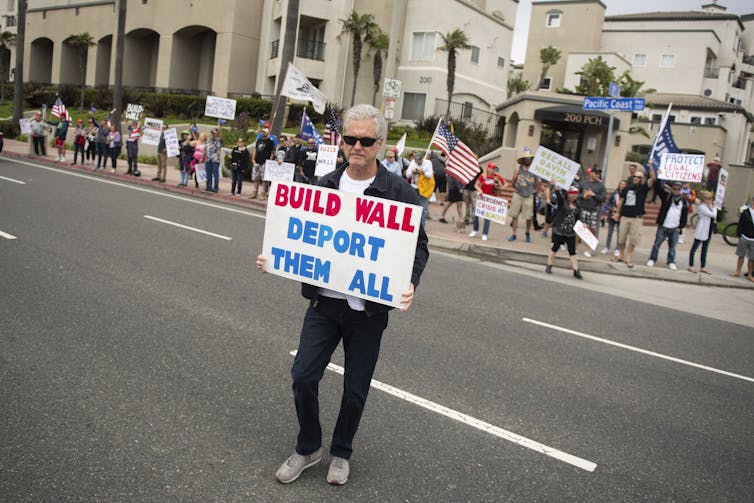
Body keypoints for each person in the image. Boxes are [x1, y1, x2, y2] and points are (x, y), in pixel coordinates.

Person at [256, 104, 429, 486]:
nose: (357, 147)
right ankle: (308, 447)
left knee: (355, 389)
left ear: (380, 144)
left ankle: (341, 452)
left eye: (366, 141)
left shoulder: (401, 193)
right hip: (324, 303)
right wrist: (274, 255)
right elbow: (300, 234)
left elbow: (418, 247)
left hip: (367, 312)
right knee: (302, 375)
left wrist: (409, 279)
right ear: (342, 141)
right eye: (350, 139)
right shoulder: (326, 185)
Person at [612, 166, 656, 268]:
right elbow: (621, 200)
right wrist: (618, 213)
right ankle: (621, 256)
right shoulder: (627, 188)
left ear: (642, 179)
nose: (636, 178)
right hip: (625, 216)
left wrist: (651, 166)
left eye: (639, 177)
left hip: (636, 218)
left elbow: (653, 178)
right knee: (621, 238)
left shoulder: (644, 188)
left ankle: (628, 258)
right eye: (635, 176)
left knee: (633, 239)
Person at [646, 180, 688, 270]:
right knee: (657, 244)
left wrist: (681, 227)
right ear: (672, 188)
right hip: (664, 226)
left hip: (675, 227)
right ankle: (652, 259)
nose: (676, 190)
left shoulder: (683, 200)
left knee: (672, 247)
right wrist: (659, 178)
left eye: (678, 189)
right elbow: (658, 189)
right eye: (674, 188)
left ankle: (671, 261)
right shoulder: (667, 196)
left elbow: (684, 215)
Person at [544, 185, 583, 279]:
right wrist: (556, 188)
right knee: (555, 247)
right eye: (572, 194)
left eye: (575, 194)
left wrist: (582, 224)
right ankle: (549, 265)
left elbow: (578, 218)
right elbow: (559, 197)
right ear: (567, 194)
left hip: (570, 232)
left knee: (572, 251)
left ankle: (576, 270)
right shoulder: (563, 202)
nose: (574, 196)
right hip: (560, 230)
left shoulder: (577, 205)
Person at [469, 162, 506, 241]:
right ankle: (475, 230)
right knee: (475, 215)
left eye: (494, 168)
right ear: (488, 168)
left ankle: (485, 234)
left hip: (491, 199)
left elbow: (505, 184)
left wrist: (501, 188)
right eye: (492, 168)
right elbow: (476, 185)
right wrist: (480, 190)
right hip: (482, 198)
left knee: (487, 218)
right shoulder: (483, 176)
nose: (493, 170)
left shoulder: (497, 177)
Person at [508, 147, 538, 242]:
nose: (527, 160)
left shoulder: (534, 171)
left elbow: (537, 184)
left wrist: (534, 191)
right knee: (514, 215)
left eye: (529, 158)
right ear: (523, 159)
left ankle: (527, 232)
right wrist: (515, 177)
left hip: (528, 195)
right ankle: (514, 234)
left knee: (528, 216)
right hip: (518, 194)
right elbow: (512, 183)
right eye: (526, 158)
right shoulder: (518, 169)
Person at [577, 166, 606, 257]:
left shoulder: (601, 185)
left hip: (593, 210)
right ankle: (575, 247)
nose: (597, 175)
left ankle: (587, 249)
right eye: (596, 172)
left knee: (591, 229)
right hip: (582, 208)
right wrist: (584, 196)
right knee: (579, 229)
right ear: (591, 173)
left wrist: (593, 194)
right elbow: (577, 195)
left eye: (598, 173)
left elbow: (603, 198)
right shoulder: (584, 184)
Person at [688, 190, 717, 274]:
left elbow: (714, 217)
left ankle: (703, 266)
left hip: (708, 230)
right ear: (703, 199)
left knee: (705, 249)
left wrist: (713, 207)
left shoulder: (710, 207)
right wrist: (715, 207)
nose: (709, 201)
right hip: (702, 230)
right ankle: (691, 265)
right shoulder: (702, 207)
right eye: (707, 199)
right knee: (694, 248)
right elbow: (713, 215)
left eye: (710, 199)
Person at [729, 194, 754, 282]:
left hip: (753, 239)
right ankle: (737, 271)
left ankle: (750, 274)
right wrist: (739, 234)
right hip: (744, 236)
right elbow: (740, 223)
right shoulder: (746, 211)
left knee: (752, 258)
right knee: (741, 255)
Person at [405, 153, 434, 227]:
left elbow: (430, 175)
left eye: (419, 161)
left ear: (422, 159)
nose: (417, 163)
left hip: (424, 189)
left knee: (423, 209)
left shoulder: (428, 163)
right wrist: (412, 171)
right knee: (412, 207)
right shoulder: (412, 163)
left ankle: (422, 226)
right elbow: (407, 175)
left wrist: (423, 172)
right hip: (414, 187)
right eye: (416, 161)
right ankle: (411, 225)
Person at [601, 179, 626, 256]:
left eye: (624, 184)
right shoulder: (614, 193)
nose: (622, 186)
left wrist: (620, 210)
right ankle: (607, 247)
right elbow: (607, 203)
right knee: (610, 232)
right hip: (612, 214)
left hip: (621, 216)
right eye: (621, 184)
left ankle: (617, 249)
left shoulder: (626, 195)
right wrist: (612, 208)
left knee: (619, 233)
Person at [252, 127, 275, 199]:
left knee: (264, 178)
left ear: (268, 133)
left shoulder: (270, 142)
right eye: (262, 132)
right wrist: (253, 159)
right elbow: (255, 150)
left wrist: (269, 161)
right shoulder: (259, 140)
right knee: (255, 177)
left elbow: (272, 152)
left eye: (264, 132)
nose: (263, 133)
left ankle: (263, 193)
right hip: (257, 161)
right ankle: (255, 192)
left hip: (265, 162)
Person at [205, 127, 223, 192]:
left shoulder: (218, 140)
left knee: (215, 175)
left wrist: (219, 130)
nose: (213, 134)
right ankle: (208, 186)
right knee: (208, 174)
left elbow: (222, 138)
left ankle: (216, 187)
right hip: (208, 159)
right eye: (212, 133)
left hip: (215, 160)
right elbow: (205, 149)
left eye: (214, 133)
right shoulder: (208, 141)